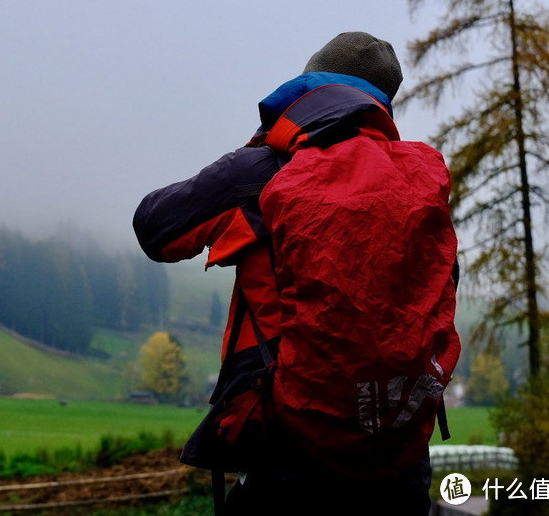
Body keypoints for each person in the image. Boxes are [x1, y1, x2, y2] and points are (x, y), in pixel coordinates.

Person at [133, 32, 457, 515]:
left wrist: (246, 162)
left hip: (289, 458)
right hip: (401, 462)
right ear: (382, 105)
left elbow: (155, 227)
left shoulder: (266, 170)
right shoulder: (420, 185)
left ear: (308, 86)